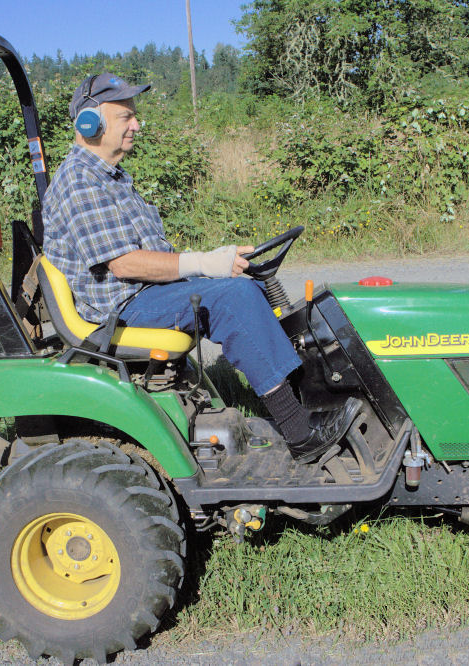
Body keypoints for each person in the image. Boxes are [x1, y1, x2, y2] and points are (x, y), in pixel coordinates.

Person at [42, 73, 360, 464]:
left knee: (245, 286)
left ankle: (309, 401)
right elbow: (124, 263)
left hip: (140, 293)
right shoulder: (79, 180)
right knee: (235, 298)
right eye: (126, 116)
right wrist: (204, 263)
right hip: (122, 308)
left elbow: (146, 254)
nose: (137, 125)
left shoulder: (110, 177)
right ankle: (301, 434)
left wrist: (211, 262)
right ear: (90, 123)